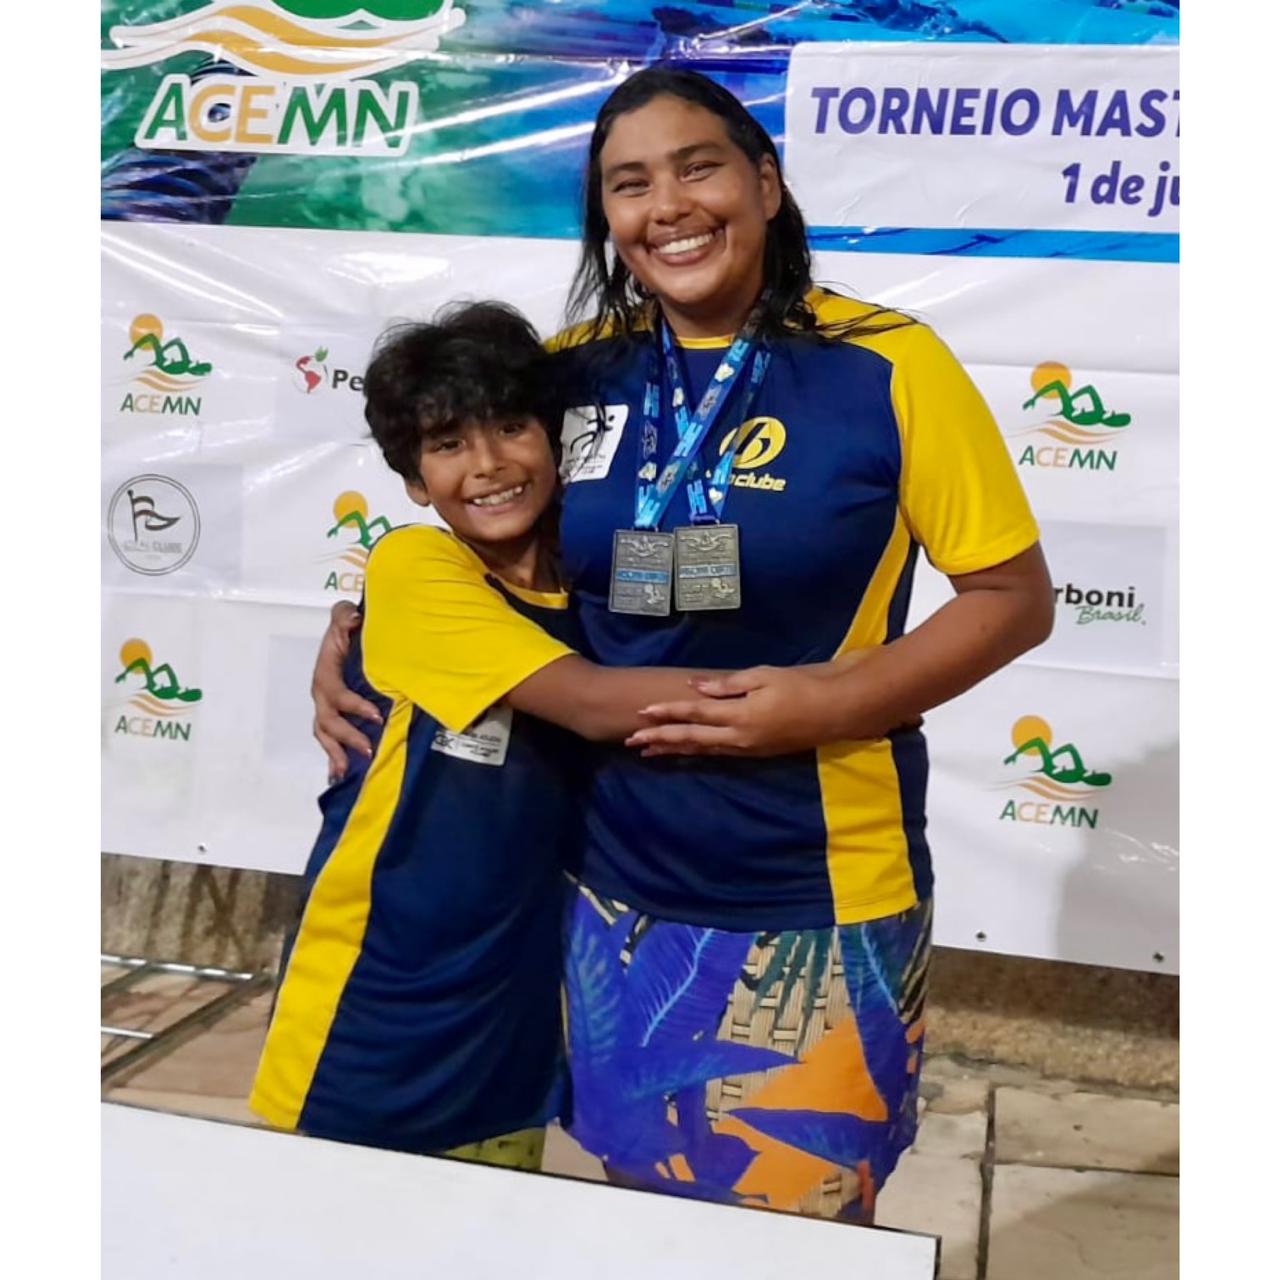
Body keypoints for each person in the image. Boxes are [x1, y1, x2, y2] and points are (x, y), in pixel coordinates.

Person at [312, 68, 1053, 1220]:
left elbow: (1010, 597)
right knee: (640, 1220)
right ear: (605, 216)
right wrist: (354, 631)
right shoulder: (573, 370)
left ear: (763, 183)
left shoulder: (887, 365)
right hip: (603, 890)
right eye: (629, 183)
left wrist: (830, 703)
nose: (666, 206)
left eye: (696, 167)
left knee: (802, 1231)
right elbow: (483, 533)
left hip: (808, 889)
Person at [252, 301, 809, 1166]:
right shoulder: (414, 566)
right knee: (348, 1222)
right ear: (413, 481)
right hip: (380, 990)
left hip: (515, 994)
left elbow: (738, 589)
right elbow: (592, 703)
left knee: (493, 1219)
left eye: (512, 427)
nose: (488, 465)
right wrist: (828, 699)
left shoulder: (593, 573)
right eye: (448, 445)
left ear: (557, 440)